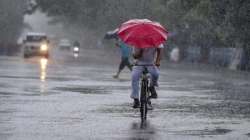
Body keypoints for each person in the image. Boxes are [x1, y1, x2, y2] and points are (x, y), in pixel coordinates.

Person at [131, 44, 164, 108]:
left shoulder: (155, 40)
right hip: (139, 63)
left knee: (155, 74)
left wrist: (158, 61)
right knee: (134, 76)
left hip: (151, 63)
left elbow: (160, 51)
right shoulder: (137, 42)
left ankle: (152, 87)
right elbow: (135, 56)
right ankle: (136, 99)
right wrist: (140, 51)